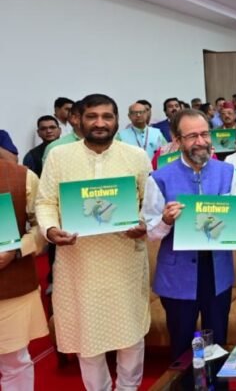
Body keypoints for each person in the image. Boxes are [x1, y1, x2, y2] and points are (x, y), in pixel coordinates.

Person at [35, 93, 151, 391]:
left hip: (124, 259)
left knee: (130, 333)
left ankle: (128, 388)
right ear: (78, 120)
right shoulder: (59, 156)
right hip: (78, 262)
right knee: (87, 337)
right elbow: (45, 202)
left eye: (107, 117)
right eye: (92, 116)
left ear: (116, 121)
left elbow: (148, 203)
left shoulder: (135, 156)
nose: (100, 123)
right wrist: (50, 230)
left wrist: (142, 223)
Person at [142, 109, 236, 360]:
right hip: (177, 275)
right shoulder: (159, 178)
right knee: (182, 346)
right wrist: (165, 220)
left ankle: (217, 380)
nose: (201, 141)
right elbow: (150, 232)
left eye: (205, 134)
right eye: (192, 136)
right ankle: (184, 381)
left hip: (218, 272)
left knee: (218, 343)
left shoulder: (227, 172)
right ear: (177, 140)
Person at [0, 160, 48, 390]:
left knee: (14, 362)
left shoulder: (22, 177)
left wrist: (16, 250)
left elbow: (42, 225)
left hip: (11, 287)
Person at [42, 100, 84, 164]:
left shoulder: (100, 144)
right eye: (91, 116)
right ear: (74, 118)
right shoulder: (55, 148)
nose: (98, 122)